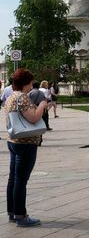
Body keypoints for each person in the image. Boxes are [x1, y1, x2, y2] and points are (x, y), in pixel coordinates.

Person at [4, 68, 48, 227]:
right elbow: (34, 117)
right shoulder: (22, 98)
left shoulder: (10, 97)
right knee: (21, 180)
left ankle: (12, 211)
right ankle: (21, 215)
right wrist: (42, 104)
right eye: (30, 82)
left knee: (13, 179)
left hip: (13, 141)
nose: (31, 86)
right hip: (26, 143)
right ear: (25, 83)